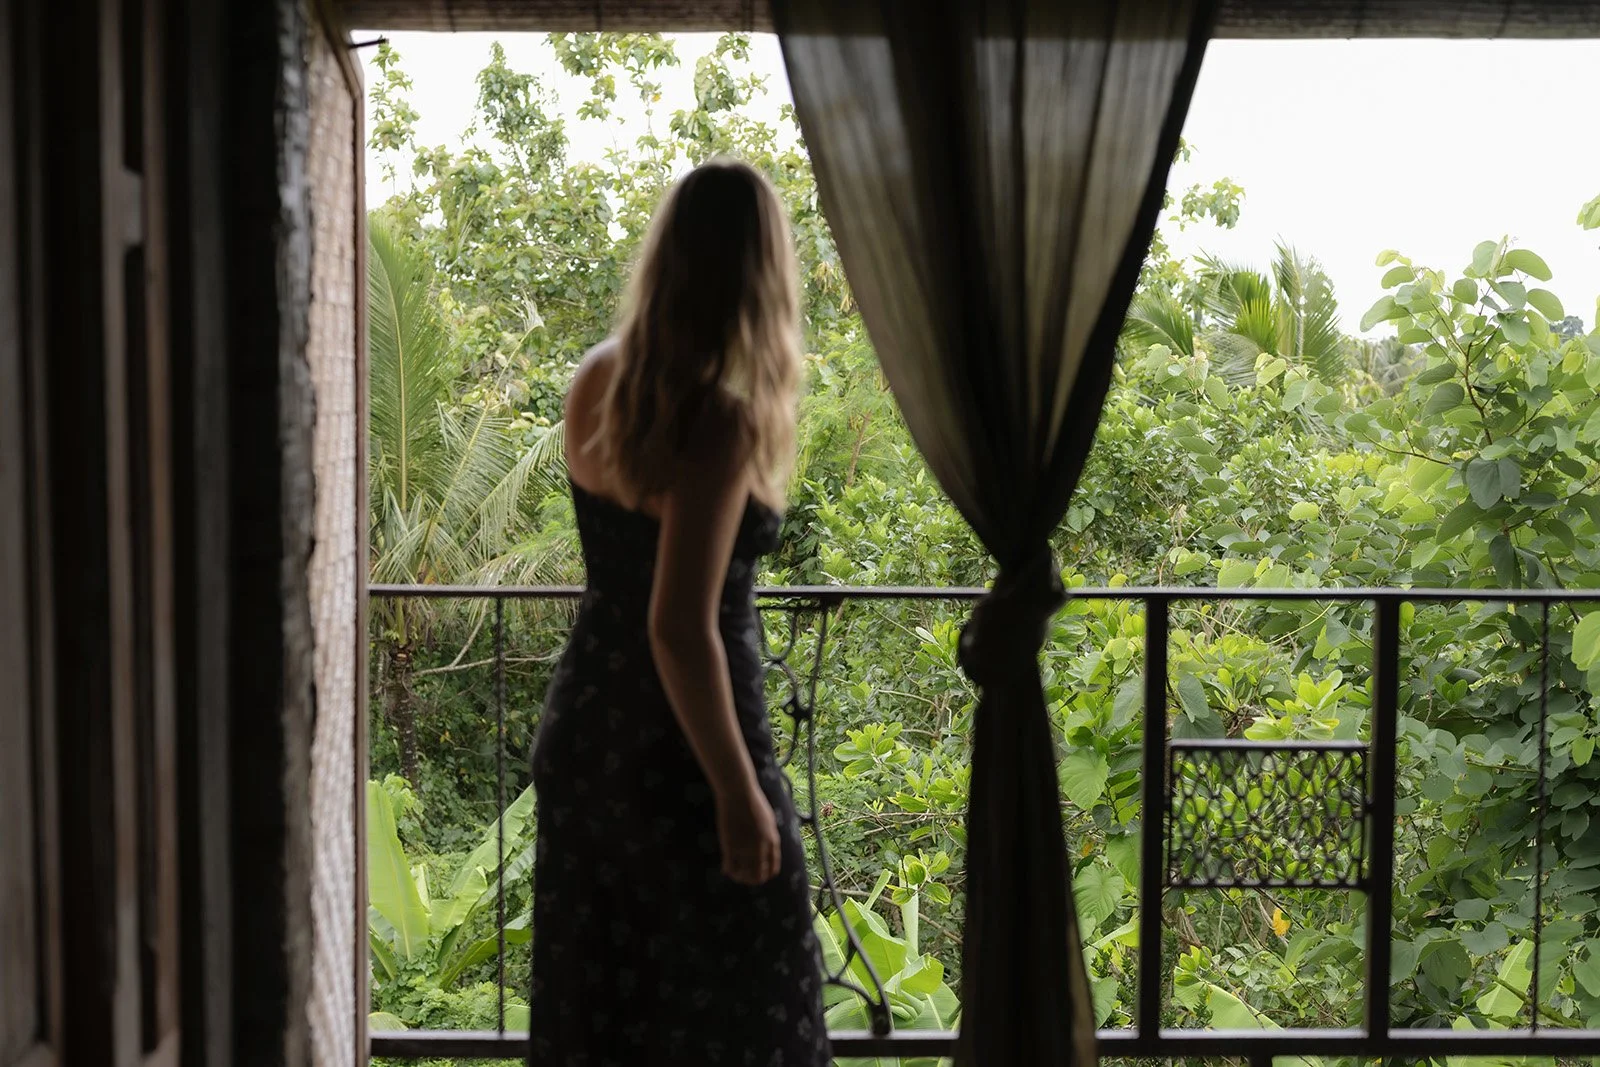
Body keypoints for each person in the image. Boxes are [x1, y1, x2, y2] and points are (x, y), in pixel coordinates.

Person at [528, 158, 830, 1067]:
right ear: (758, 275)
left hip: (593, 734)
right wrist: (738, 793)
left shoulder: (599, 378)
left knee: (610, 1021)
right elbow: (679, 624)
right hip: (688, 753)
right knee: (755, 1009)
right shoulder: (719, 423)